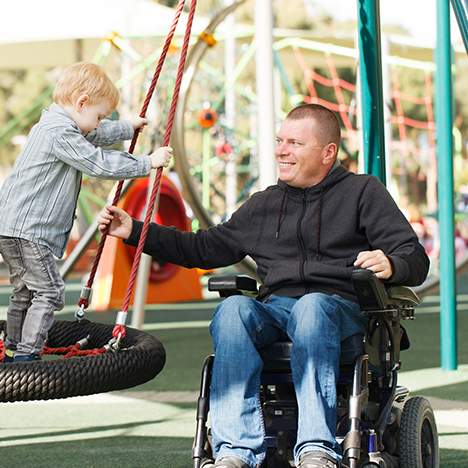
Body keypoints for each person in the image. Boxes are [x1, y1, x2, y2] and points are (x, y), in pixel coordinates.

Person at [98, 104, 429, 468]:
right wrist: (134, 231)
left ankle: (316, 449)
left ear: (327, 152)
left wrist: (392, 263)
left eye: (294, 143)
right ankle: (235, 452)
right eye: (279, 140)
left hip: (340, 311)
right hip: (277, 310)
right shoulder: (264, 205)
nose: (281, 150)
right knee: (233, 309)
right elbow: (202, 248)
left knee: (313, 307)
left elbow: (414, 257)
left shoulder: (363, 193)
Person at [0, 62, 172, 363]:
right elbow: (98, 163)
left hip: (11, 227)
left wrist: (126, 127)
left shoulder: (56, 126)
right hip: (30, 232)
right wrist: (148, 163)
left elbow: (93, 134)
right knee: (50, 292)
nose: (97, 123)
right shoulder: (61, 135)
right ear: (81, 102)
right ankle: (26, 356)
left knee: (25, 291)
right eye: (98, 115)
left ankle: (13, 347)